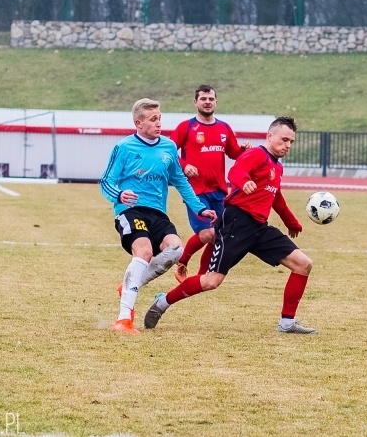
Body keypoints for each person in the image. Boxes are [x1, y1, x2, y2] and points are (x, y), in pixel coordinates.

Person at [143, 116, 317, 334]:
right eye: (284, 140)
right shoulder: (256, 154)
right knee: (211, 281)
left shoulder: (276, 166)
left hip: (259, 228)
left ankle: (287, 323)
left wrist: (292, 222)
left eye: (291, 141)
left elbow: (276, 197)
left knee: (303, 264)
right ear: (269, 136)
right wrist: (244, 182)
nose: (288, 145)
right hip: (236, 223)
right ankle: (162, 302)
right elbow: (235, 172)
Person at [99, 98, 216, 334]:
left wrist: (199, 208)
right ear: (138, 123)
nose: (159, 123)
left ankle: (129, 286)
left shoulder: (169, 147)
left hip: (158, 213)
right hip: (130, 210)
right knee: (144, 252)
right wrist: (120, 194)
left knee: (176, 249)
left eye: (160, 118)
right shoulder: (124, 147)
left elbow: (180, 180)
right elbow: (105, 182)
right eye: (153, 119)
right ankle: (123, 319)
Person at [170, 84, 249, 283]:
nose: (207, 102)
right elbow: (168, 152)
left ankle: (200, 277)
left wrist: (242, 150)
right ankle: (182, 262)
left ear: (216, 102)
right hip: (195, 191)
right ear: (195, 102)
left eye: (211, 99)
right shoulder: (186, 127)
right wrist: (185, 165)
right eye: (203, 99)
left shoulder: (224, 128)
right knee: (207, 233)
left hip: (219, 191)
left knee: (219, 236)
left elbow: (233, 152)